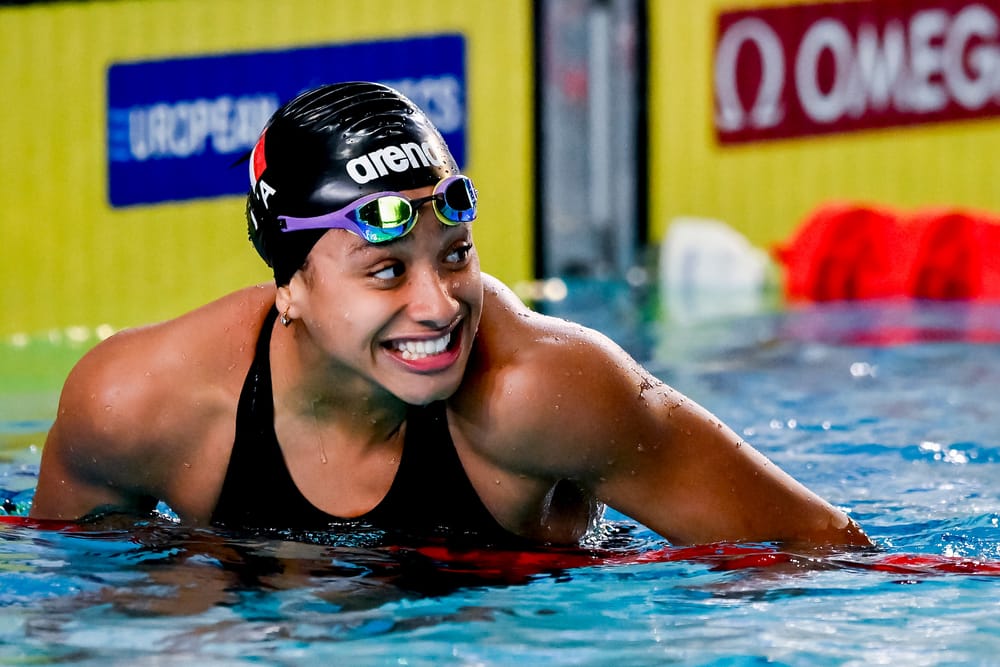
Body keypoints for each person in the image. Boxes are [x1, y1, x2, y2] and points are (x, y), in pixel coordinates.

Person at [30, 82, 871, 549]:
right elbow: (67, 597)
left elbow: (824, 552)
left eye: (456, 253)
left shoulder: (542, 392)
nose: (438, 306)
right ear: (290, 285)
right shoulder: (139, 405)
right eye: (386, 269)